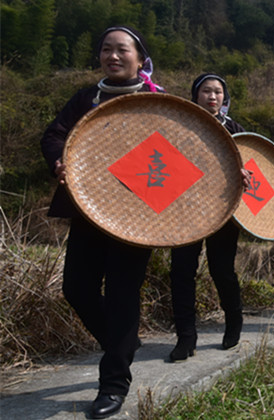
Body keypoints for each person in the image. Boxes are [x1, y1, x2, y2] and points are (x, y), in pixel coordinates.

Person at [40, 26, 163, 419]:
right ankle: (123, 343)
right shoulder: (85, 99)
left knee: (124, 294)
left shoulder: (159, 104)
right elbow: (54, 135)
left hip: (137, 217)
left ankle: (113, 384)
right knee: (76, 288)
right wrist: (60, 159)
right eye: (106, 49)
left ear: (140, 59)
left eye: (122, 50)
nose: (113, 55)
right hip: (89, 209)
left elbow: (188, 155)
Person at [168, 74, 245, 362]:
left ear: (225, 99)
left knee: (222, 269)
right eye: (206, 91)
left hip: (223, 210)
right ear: (195, 95)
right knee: (181, 271)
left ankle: (234, 321)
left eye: (218, 92)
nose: (212, 96)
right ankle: (186, 337)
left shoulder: (236, 130)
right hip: (184, 209)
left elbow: (254, 168)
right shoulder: (180, 124)